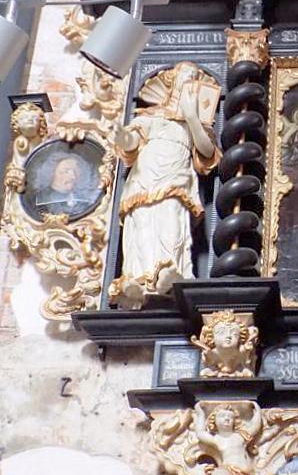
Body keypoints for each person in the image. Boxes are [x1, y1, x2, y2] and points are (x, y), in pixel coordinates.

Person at [109, 61, 221, 309]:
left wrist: (191, 117)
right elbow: (132, 141)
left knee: (171, 226)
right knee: (142, 225)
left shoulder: (197, 123)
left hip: (176, 179)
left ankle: (169, 276)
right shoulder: (153, 115)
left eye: (193, 78)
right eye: (184, 76)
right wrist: (122, 137)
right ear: (172, 82)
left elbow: (207, 151)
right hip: (145, 176)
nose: (188, 82)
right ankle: (139, 279)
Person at [34, 152, 99, 218]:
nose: (73, 177)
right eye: (66, 171)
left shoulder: (82, 199)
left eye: (76, 172)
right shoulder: (41, 199)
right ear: (51, 173)